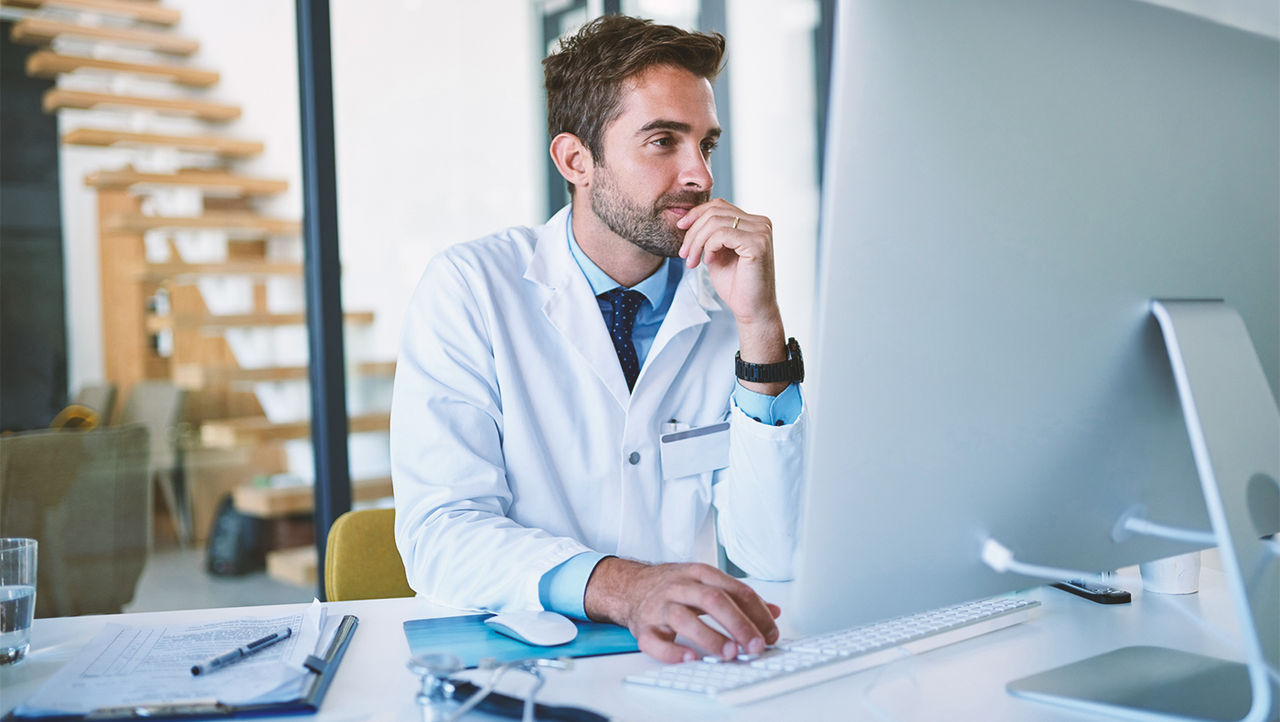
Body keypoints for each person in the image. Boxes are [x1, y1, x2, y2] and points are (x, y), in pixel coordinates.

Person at [391, 15, 806, 665]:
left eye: (706, 143)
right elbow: (439, 534)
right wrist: (626, 587)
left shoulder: (727, 301)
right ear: (576, 160)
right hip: (521, 669)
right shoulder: (471, 286)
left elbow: (776, 552)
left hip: (690, 666)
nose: (699, 174)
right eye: (664, 141)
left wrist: (760, 328)